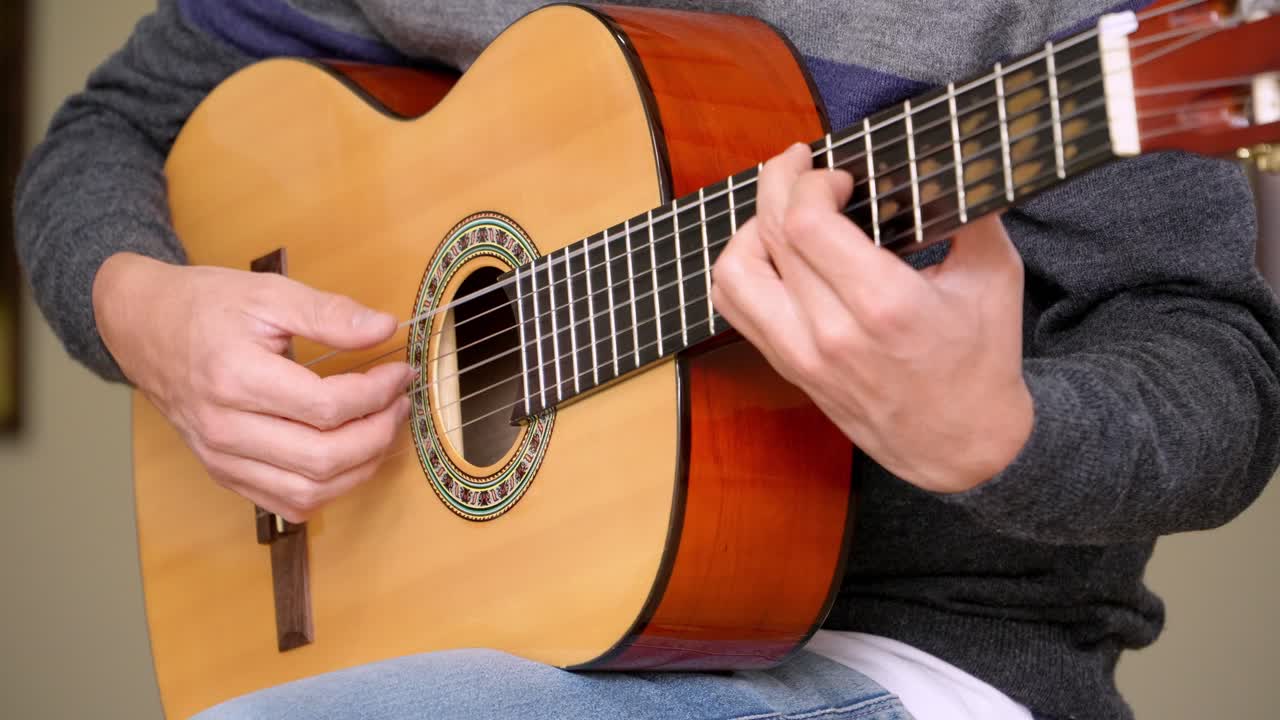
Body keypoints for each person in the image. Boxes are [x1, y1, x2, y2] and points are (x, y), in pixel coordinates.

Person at [14, 1, 1280, 719]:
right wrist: (140, 312)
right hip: (461, 630)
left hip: (904, 656)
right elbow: (116, 125)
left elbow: (1215, 372)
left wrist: (1001, 433)